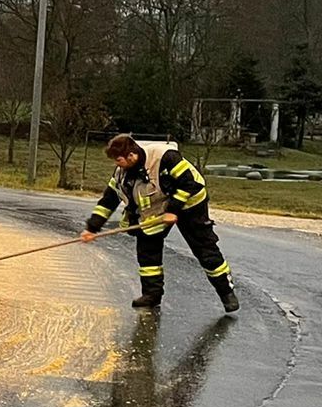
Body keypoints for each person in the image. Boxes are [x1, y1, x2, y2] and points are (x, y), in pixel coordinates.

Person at [81, 133, 239, 313]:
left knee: (204, 248)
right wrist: (92, 228)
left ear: (131, 156)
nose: (117, 164)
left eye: (119, 160)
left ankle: (226, 292)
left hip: (190, 203)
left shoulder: (165, 157)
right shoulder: (121, 175)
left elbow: (189, 183)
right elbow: (108, 201)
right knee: (147, 249)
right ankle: (152, 295)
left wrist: (173, 210)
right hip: (158, 210)